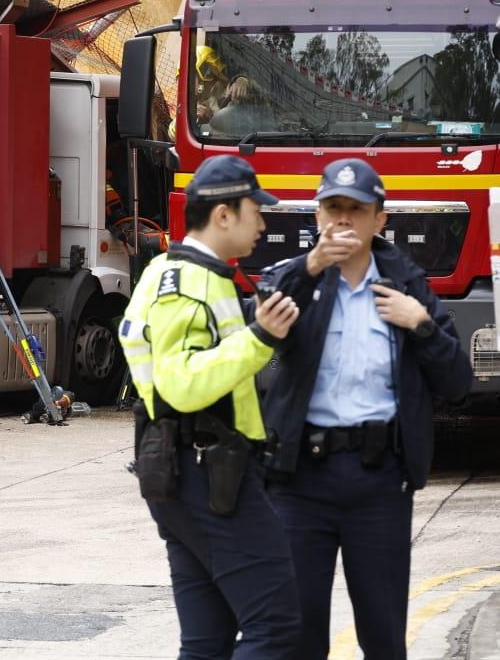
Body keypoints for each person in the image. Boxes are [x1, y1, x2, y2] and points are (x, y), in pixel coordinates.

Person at [258, 159, 472, 660]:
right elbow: (260, 316)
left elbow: (457, 382)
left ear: (381, 220)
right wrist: (309, 266)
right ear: (317, 215)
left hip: (379, 483)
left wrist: (421, 325)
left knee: (382, 633)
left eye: (358, 210)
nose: (344, 221)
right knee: (297, 634)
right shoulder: (298, 279)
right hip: (300, 483)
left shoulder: (407, 285)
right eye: (334, 208)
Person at [116, 154, 302, 657]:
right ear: (223, 216)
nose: (263, 223)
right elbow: (181, 384)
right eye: (255, 211)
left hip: (183, 471)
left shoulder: (167, 271)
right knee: (277, 627)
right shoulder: (190, 284)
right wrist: (261, 337)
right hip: (209, 472)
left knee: (207, 642)